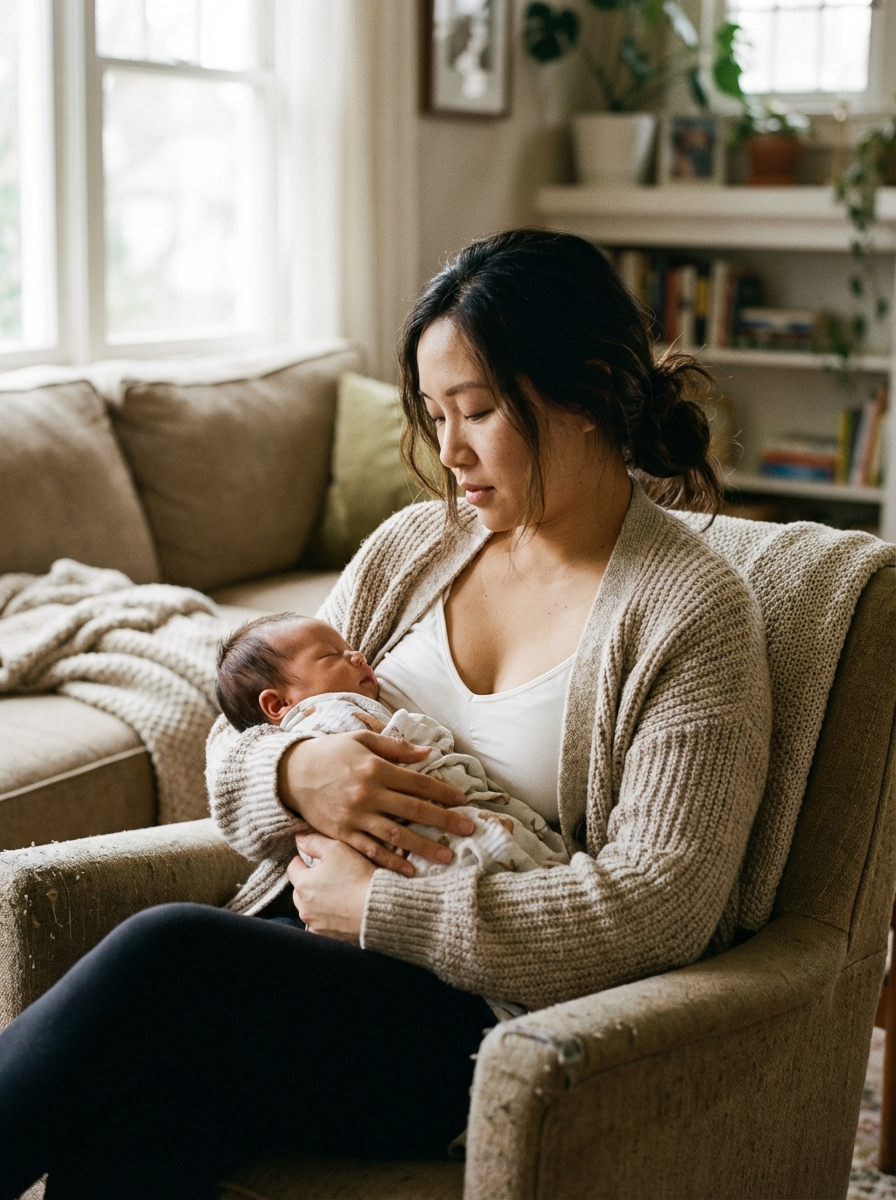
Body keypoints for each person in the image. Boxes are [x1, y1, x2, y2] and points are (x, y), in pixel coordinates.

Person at [0, 229, 772, 1200]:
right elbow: (227, 746)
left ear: (582, 393)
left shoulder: (690, 613)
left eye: (479, 412)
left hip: (484, 1018)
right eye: (434, 413)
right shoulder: (416, 545)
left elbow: (657, 908)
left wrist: (383, 908)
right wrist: (293, 775)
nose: (447, 453)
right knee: (140, 1116)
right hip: (311, 963)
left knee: (166, 955)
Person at [213, 612, 569, 901]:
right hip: (339, 882)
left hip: (411, 903)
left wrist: (373, 906)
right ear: (278, 704)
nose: (358, 655)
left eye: (349, 649)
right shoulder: (327, 714)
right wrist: (290, 769)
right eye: (330, 655)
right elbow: (226, 738)